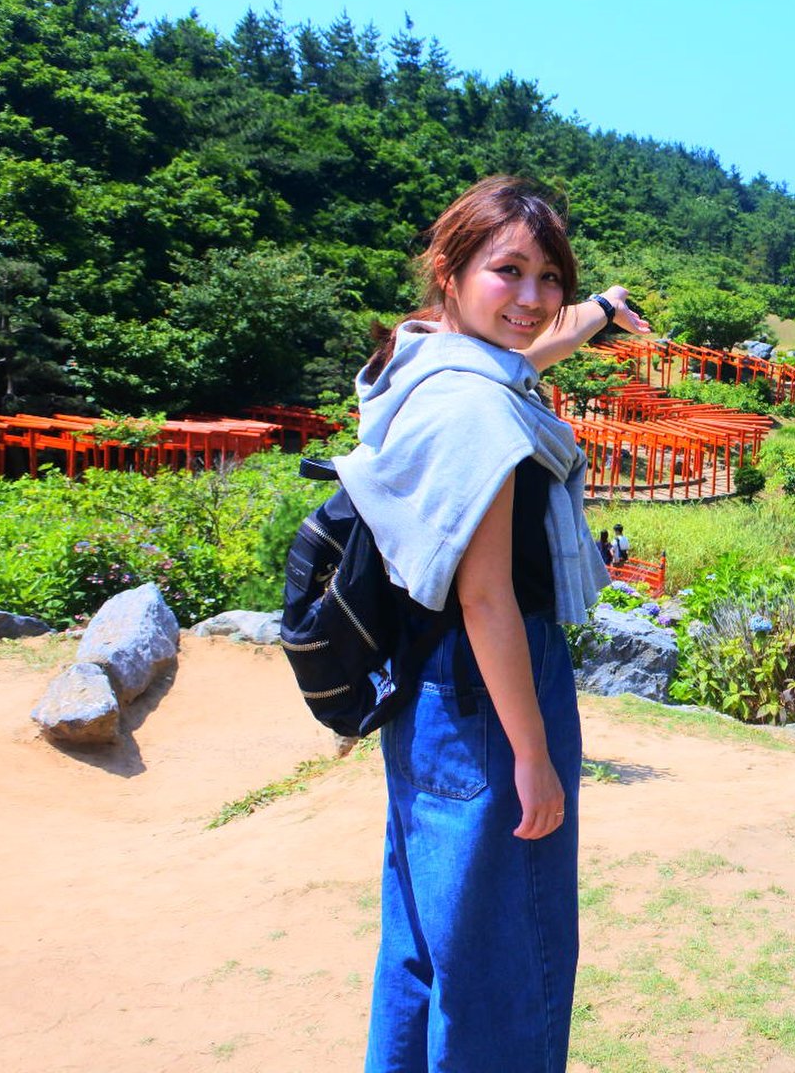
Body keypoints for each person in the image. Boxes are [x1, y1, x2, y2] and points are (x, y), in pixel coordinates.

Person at [334, 175, 648, 1072]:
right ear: (451, 267)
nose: (534, 299)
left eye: (549, 277)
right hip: (491, 694)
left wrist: (600, 310)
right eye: (508, 271)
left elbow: (527, 350)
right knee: (509, 964)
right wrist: (534, 757)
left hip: (426, 689)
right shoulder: (478, 409)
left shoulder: (424, 360)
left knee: (427, 943)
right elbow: (487, 599)